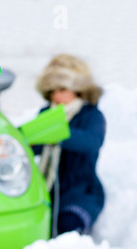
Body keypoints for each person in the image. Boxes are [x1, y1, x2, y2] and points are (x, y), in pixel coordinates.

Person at [33, 54, 106, 235]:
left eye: (63, 89)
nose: (56, 96)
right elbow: (35, 145)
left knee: (68, 225)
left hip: (82, 191)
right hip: (47, 189)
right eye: (52, 90)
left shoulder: (91, 115)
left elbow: (91, 142)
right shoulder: (46, 114)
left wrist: (57, 133)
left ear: (78, 89)